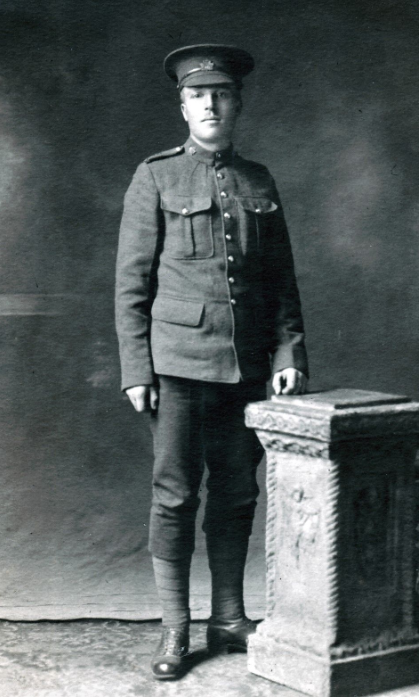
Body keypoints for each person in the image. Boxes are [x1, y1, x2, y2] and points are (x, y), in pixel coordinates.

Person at [115, 44, 308, 680]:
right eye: (199, 96)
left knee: (236, 491)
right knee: (175, 495)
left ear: (237, 103)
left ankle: (228, 616)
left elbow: (280, 280)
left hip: (246, 366)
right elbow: (132, 285)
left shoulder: (258, 180)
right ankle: (176, 627)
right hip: (176, 365)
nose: (211, 105)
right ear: (183, 106)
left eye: (222, 95)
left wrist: (288, 352)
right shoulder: (156, 176)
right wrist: (137, 370)